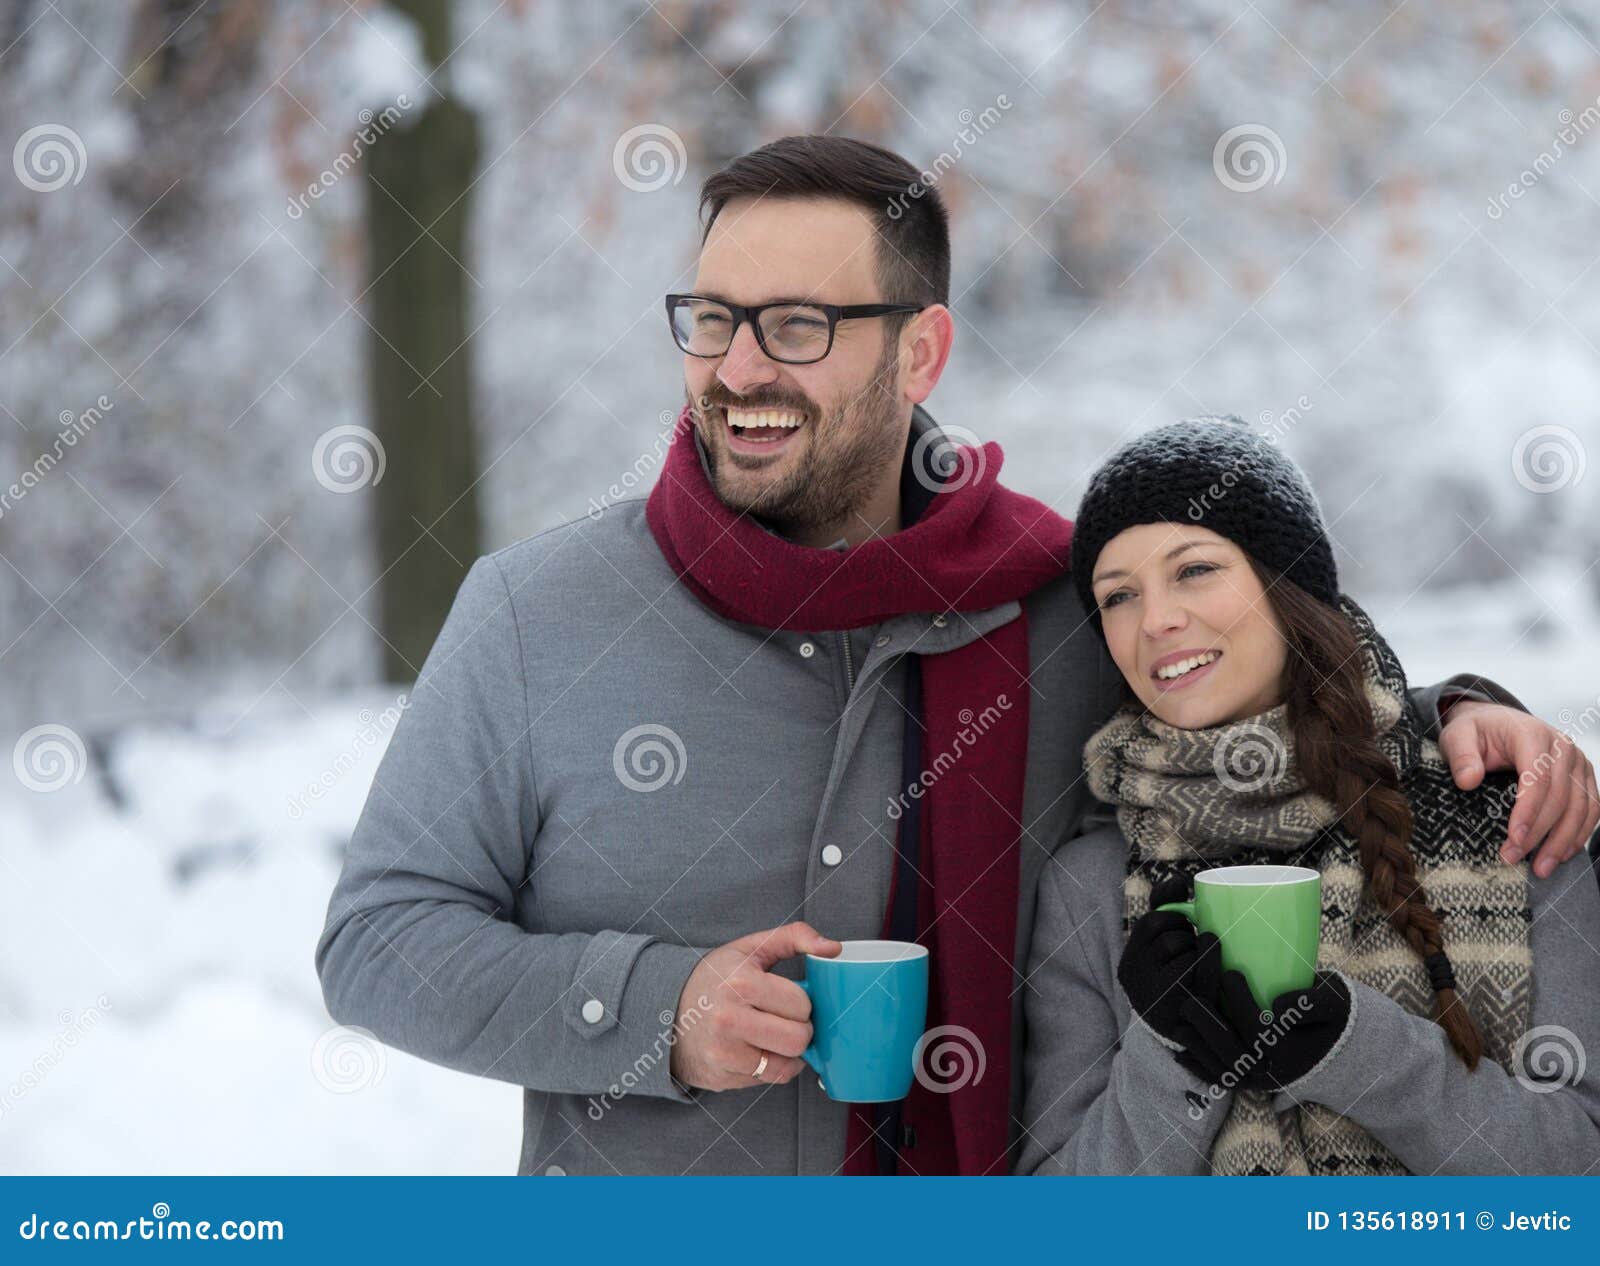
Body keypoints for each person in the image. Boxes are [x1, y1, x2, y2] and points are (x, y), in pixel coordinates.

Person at [314, 135, 1597, 1176]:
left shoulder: (1047, 606)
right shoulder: (537, 616)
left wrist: (1460, 724)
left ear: (918, 350)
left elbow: (1251, 699)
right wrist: (653, 1011)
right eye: (712, 319)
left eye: (799, 324)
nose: (739, 368)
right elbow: (379, 940)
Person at [1018, 416, 1600, 1175]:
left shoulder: (1510, 812)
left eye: (1194, 569)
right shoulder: (1088, 889)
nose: (1155, 619)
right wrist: (1172, 1053)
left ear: (1286, 585)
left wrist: (1357, 1051)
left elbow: (1578, 1172)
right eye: (1119, 595)